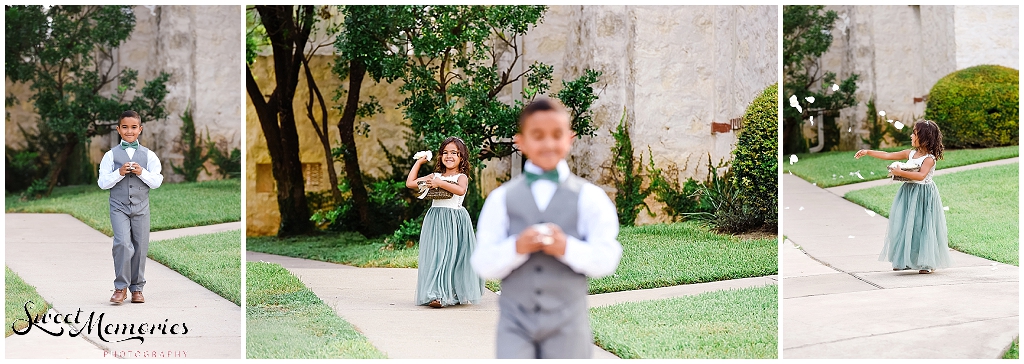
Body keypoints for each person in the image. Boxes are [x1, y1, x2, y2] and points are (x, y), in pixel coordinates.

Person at [471, 98, 622, 358]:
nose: (548, 144)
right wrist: (517, 247)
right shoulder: (500, 199)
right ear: (521, 142)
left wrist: (567, 248)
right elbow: (482, 262)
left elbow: (608, 259)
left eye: (557, 135)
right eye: (538, 136)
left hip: (569, 326)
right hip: (514, 325)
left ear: (570, 138)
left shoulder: (591, 198)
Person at [855, 120, 952, 274]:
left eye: (914, 133)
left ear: (924, 137)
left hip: (923, 195)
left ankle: (926, 262)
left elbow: (920, 176)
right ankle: (905, 260)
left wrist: (900, 173)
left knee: (922, 226)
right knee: (905, 225)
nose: (911, 135)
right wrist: (868, 152)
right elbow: (888, 155)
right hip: (908, 192)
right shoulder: (910, 153)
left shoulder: (929, 158)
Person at [406, 136, 484, 308]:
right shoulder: (435, 175)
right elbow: (410, 183)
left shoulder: (461, 176)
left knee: (453, 257)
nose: (449, 156)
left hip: (456, 220)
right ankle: (436, 295)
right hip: (436, 219)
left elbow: (460, 189)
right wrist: (419, 163)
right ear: (440, 156)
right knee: (437, 256)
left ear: (461, 157)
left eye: (454, 153)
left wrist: (440, 183)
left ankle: (453, 292)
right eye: (445, 153)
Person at [98, 110, 164, 304]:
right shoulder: (110, 156)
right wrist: (119, 173)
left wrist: (141, 172)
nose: (129, 131)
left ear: (140, 129)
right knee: (123, 244)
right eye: (125, 127)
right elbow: (103, 182)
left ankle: (137, 288)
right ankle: (120, 287)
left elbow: (157, 180)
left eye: (133, 127)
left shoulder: (149, 155)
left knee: (140, 246)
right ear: (118, 130)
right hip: (118, 206)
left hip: (141, 207)